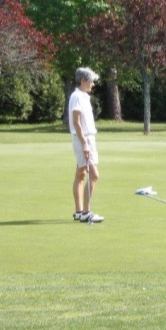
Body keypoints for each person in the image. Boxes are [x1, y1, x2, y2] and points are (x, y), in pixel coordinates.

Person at [69, 67, 104, 223]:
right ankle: (86, 211)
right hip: (83, 139)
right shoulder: (76, 96)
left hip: (88, 138)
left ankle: (78, 211)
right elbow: (76, 123)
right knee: (94, 175)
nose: (93, 85)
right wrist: (84, 144)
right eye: (90, 82)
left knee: (81, 174)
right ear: (82, 81)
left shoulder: (84, 96)